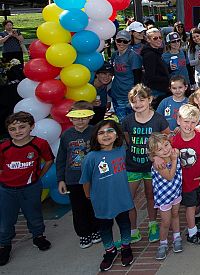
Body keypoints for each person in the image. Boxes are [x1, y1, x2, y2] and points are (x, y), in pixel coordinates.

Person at [80, 119, 134, 271]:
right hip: (102, 200)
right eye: (101, 132)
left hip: (122, 197)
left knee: (124, 223)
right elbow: (85, 181)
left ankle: (125, 246)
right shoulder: (91, 157)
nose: (106, 135)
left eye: (110, 131)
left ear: (117, 135)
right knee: (105, 227)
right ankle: (110, 250)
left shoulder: (122, 151)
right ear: (95, 137)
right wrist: (89, 196)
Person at [0, 112, 53, 266]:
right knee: (6, 219)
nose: (17, 131)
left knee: (34, 214)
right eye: (12, 129)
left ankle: (38, 236)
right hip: (7, 190)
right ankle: (5, 244)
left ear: (32, 127)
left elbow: (49, 160)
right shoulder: (4, 147)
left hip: (31, 188)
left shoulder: (40, 143)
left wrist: (38, 177)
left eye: (22, 127)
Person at [122, 84, 170, 242]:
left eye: (141, 100)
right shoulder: (128, 120)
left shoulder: (159, 119)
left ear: (150, 99)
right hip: (132, 166)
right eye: (133, 101)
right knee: (129, 198)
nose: (137, 104)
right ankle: (133, 229)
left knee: (151, 196)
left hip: (153, 168)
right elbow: (128, 140)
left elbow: (166, 140)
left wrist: (156, 156)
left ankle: (152, 224)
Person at [170, 104, 200, 246]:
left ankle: (195, 221)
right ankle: (192, 233)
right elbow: (160, 153)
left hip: (198, 179)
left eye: (192, 122)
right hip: (182, 182)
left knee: (194, 204)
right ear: (178, 120)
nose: (189, 125)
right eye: (185, 121)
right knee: (189, 206)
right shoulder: (173, 141)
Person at [56, 104, 99, 248]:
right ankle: (83, 233)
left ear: (90, 116)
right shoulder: (66, 135)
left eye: (83, 117)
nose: (80, 121)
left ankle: (96, 229)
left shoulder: (95, 132)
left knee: (94, 205)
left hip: (93, 178)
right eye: (76, 118)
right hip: (73, 179)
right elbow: (61, 158)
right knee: (78, 207)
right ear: (70, 118)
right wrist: (61, 179)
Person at [148, 133, 183, 260]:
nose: (165, 150)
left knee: (175, 214)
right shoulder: (159, 164)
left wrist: (174, 154)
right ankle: (163, 243)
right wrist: (173, 161)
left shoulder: (173, 153)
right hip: (164, 197)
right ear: (154, 153)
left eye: (166, 145)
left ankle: (177, 237)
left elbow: (177, 150)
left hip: (175, 192)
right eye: (160, 149)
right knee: (165, 221)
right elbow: (169, 176)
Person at [111, 30, 143, 120]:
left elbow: (138, 77)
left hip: (129, 94)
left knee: (132, 121)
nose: (121, 43)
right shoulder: (114, 55)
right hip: (117, 93)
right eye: (119, 40)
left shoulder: (133, 56)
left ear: (129, 42)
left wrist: (135, 95)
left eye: (125, 41)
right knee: (122, 121)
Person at [141, 28, 171, 106]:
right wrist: (167, 79)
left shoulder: (156, 52)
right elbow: (150, 76)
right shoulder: (150, 55)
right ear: (148, 40)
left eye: (160, 37)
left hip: (161, 89)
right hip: (157, 91)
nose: (159, 40)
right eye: (155, 38)